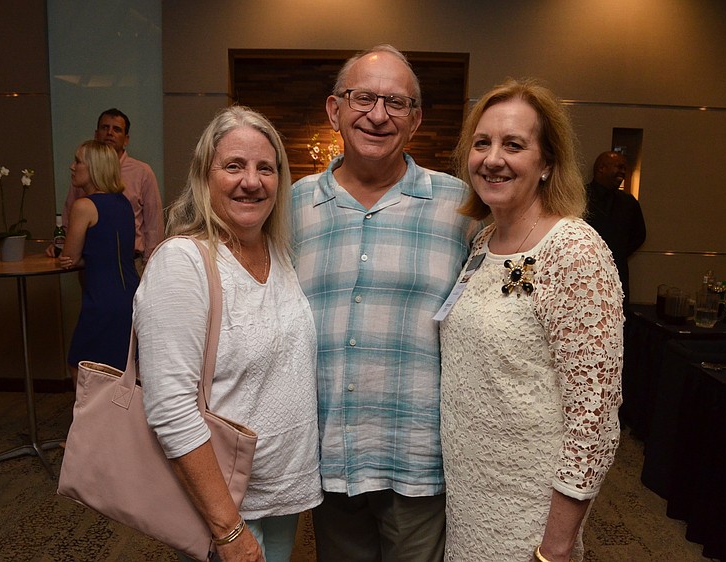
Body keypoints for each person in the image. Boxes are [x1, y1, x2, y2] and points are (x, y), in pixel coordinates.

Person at [291, 44, 475, 561]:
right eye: (363, 98)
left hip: (418, 458)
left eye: (396, 103)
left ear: (415, 120)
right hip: (331, 454)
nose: (378, 115)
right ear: (334, 110)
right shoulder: (291, 206)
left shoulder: (461, 206)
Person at [440, 78, 624, 562]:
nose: (492, 158)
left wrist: (556, 547)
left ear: (546, 163)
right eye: (482, 143)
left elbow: (595, 418)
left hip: (530, 516)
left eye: (514, 145)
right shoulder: (481, 243)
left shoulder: (574, 251)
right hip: (470, 499)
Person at [133, 106, 322, 562]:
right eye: (234, 166)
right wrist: (229, 529)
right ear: (205, 175)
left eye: (265, 168)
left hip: (281, 497)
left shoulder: (278, 254)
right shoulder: (183, 263)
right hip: (229, 507)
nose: (251, 181)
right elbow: (169, 408)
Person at [59, 140, 139, 388]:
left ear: (93, 167)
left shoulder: (83, 206)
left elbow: (69, 259)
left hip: (102, 299)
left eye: (78, 161)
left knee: (79, 365)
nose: (72, 167)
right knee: (120, 370)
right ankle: (119, 425)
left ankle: (92, 425)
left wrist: (60, 252)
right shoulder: (123, 203)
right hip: (130, 294)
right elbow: (109, 250)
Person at [50, 108, 164, 268]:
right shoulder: (82, 173)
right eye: (105, 128)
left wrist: (152, 264)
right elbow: (69, 216)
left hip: (132, 262)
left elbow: (153, 224)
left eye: (116, 129)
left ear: (126, 139)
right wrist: (62, 246)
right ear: (96, 135)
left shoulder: (142, 172)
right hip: (89, 264)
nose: (110, 133)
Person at [585, 150, 646, 310]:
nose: (623, 172)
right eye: (619, 167)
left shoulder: (629, 203)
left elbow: (639, 236)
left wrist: (614, 253)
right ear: (601, 168)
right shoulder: (579, 197)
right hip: (584, 274)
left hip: (617, 274)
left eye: (625, 169)